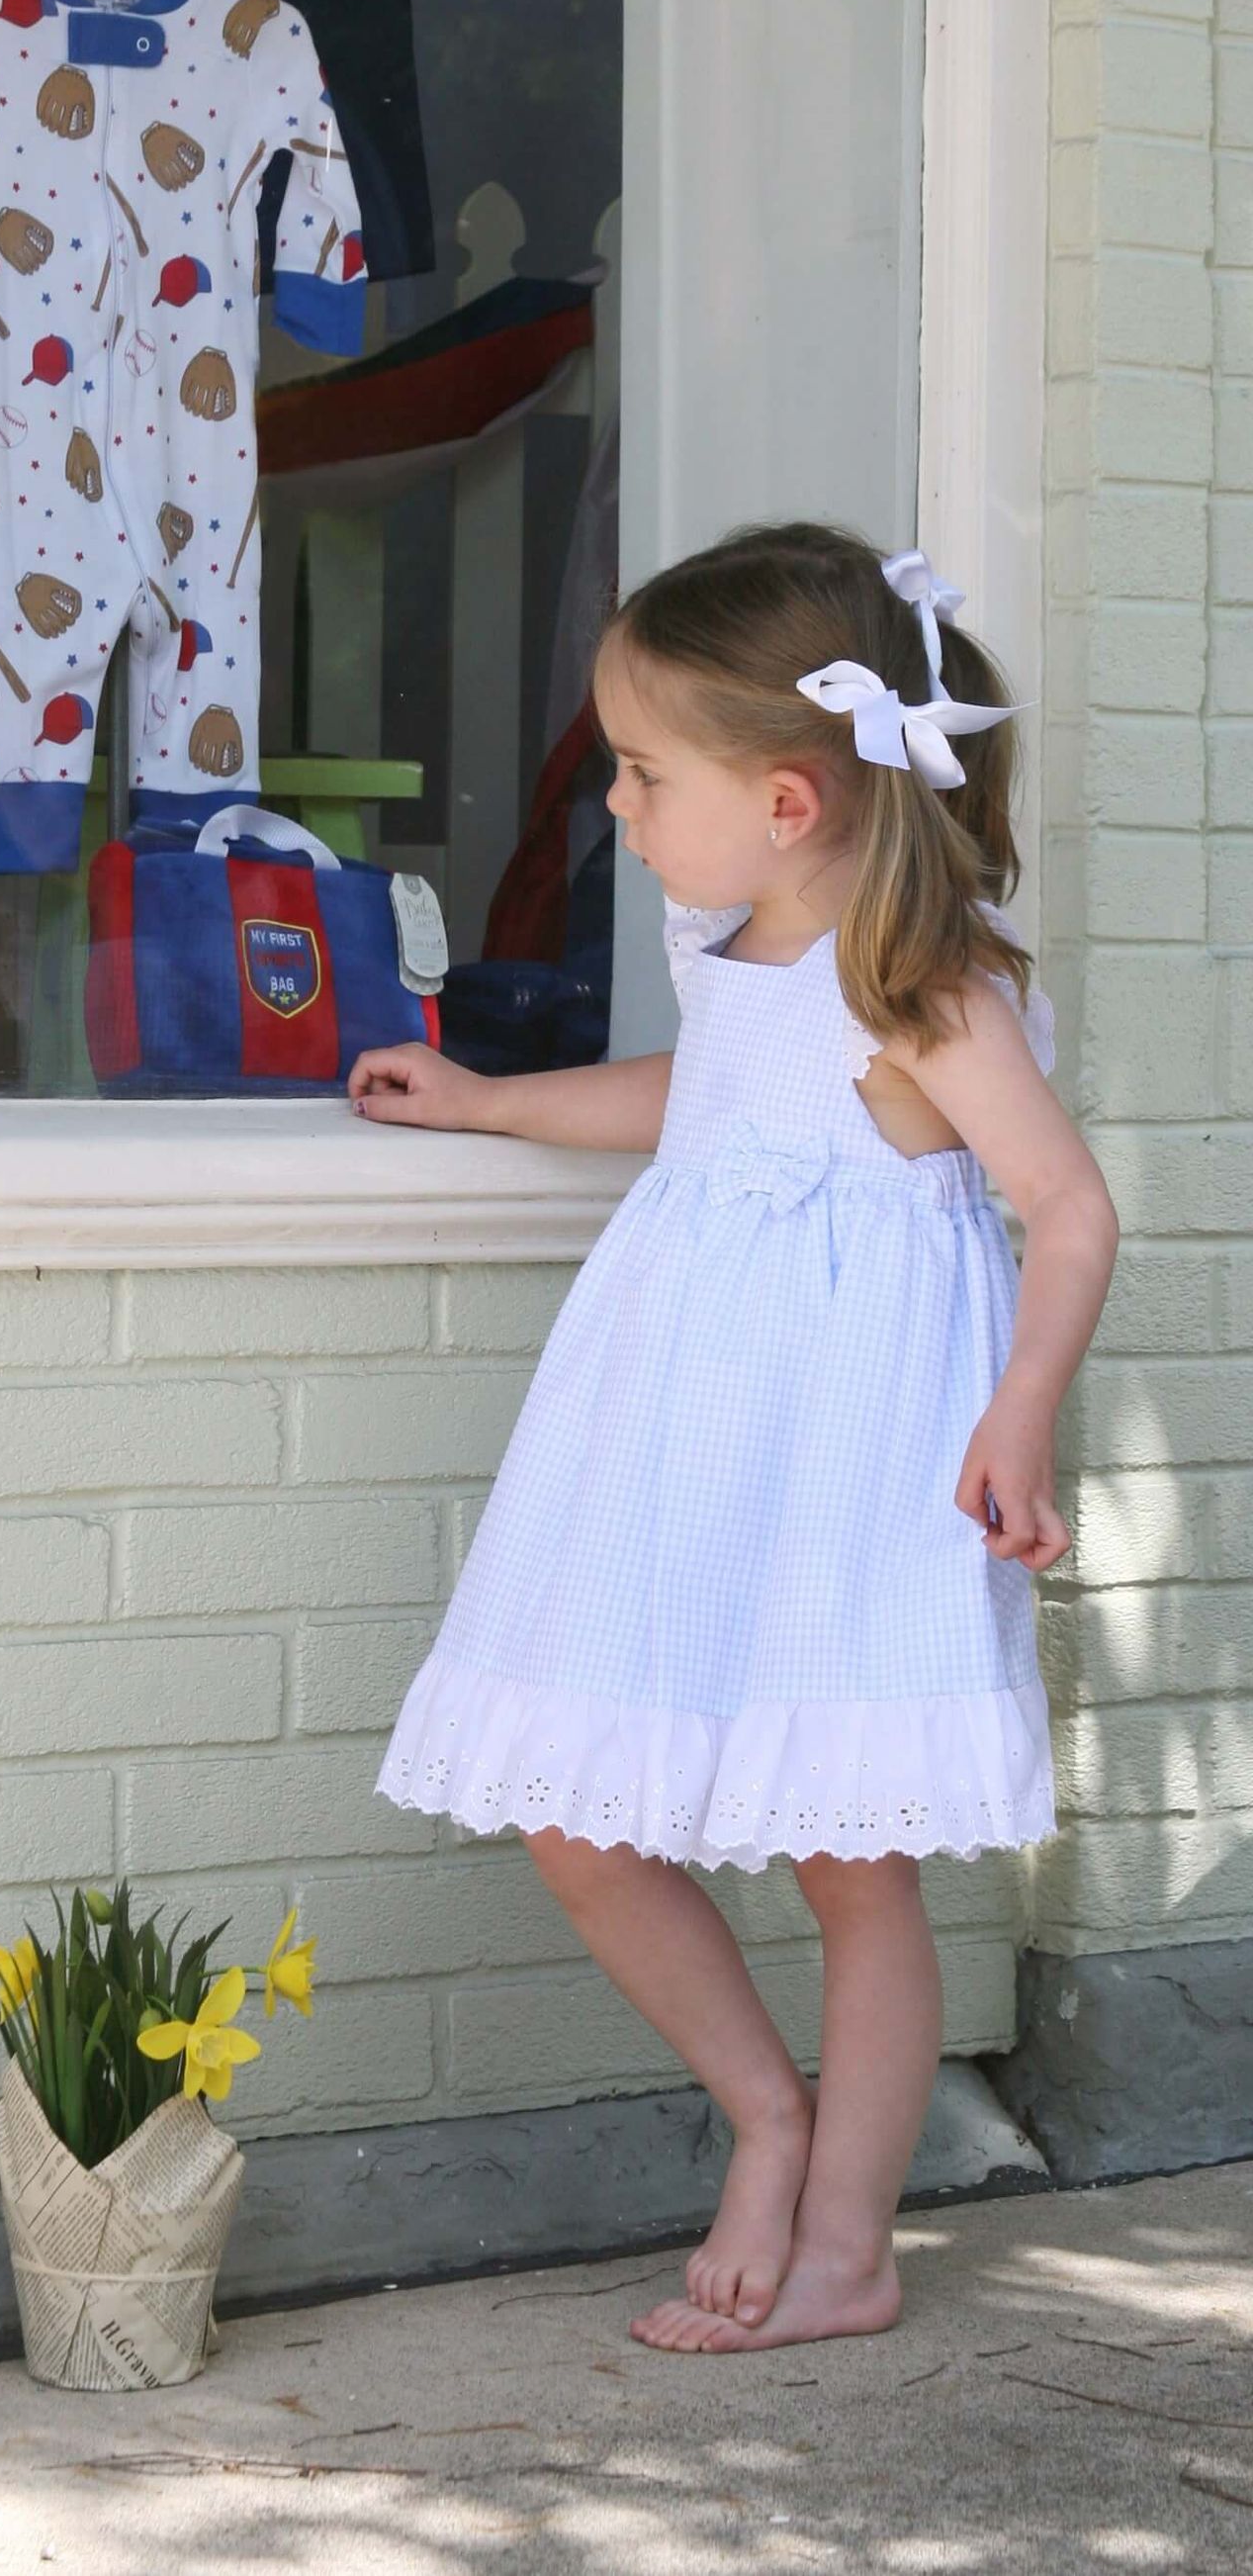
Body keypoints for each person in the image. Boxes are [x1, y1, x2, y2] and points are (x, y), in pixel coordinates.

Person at [354, 523, 1119, 2354]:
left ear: (788, 798)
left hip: (853, 1467)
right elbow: (696, 1103)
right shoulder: (730, 946)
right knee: (575, 1809)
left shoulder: (921, 980)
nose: (614, 805)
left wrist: (1022, 1415)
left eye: (639, 772)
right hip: (674, 1441)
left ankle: (847, 2240)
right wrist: (485, 1103)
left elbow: (1067, 1207)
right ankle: (765, 2114)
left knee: (854, 1866)